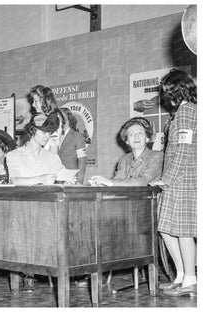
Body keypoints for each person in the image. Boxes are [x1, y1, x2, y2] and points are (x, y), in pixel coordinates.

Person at [6, 112, 77, 292]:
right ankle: (28, 272)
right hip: (22, 209)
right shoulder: (14, 155)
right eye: (43, 132)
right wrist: (41, 178)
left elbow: (62, 174)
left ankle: (63, 270)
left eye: (49, 133)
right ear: (32, 131)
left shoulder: (52, 157)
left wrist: (68, 179)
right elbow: (15, 180)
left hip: (48, 210)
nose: (47, 136)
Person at [150, 69, 197, 297]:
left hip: (184, 179)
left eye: (169, 91)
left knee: (183, 231)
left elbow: (184, 151)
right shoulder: (179, 113)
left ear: (180, 90)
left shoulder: (188, 111)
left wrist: (166, 179)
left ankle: (190, 279)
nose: (167, 97)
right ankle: (180, 276)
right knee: (165, 229)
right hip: (174, 179)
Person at [89, 117, 163, 187]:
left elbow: (143, 181)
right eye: (131, 134)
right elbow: (116, 181)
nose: (136, 137)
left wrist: (110, 182)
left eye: (140, 133)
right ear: (127, 141)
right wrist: (102, 184)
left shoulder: (157, 156)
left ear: (147, 138)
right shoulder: (124, 159)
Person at [28, 85, 66, 153]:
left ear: (43, 101)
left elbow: (53, 149)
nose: (33, 105)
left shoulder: (54, 119)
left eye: (36, 101)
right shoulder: (48, 117)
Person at [58, 108, 87, 185]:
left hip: (71, 180)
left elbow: (82, 162)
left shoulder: (78, 136)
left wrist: (79, 181)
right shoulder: (54, 136)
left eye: (62, 117)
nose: (61, 120)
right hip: (55, 180)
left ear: (69, 119)